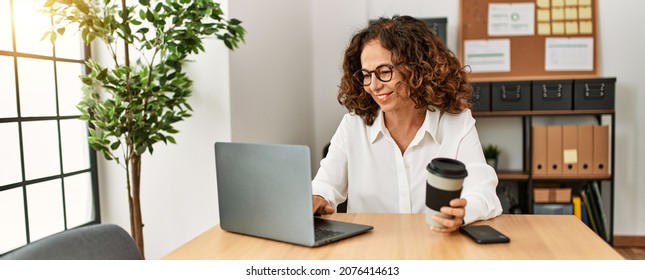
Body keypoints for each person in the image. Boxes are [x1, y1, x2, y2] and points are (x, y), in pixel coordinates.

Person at [311, 15, 502, 233]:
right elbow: (325, 185)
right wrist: (316, 197)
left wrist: (464, 211)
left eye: (384, 72)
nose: (373, 86)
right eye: (366, 75)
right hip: (370, 253)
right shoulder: (353, 126)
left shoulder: (455, 123)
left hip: (436, 248)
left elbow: (484, 192)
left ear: (417, 69)